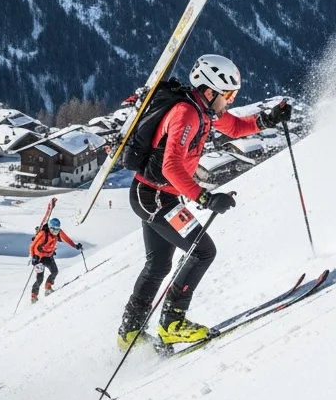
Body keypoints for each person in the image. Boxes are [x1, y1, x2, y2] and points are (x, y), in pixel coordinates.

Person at [117, 54, 292, 349]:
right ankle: (172, 323)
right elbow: (171, 167)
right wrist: (206, 197)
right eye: (228, 94)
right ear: (210, 91)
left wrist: (270, 118)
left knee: (159, 264)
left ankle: (130, 332)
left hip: (158, 194)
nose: (232, 100)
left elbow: (236, 128)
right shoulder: (187, 113)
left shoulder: (202, 109)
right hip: (155, 196)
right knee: (202, 251)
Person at [29, 217, 81, 303]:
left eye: (57, 229)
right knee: (40, 279)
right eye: (53, 229)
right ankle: (34, 296)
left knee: (54, 271)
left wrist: (75, 245)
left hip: (48, 256)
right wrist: (33, 257)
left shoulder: (58, 233)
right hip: (39, 258)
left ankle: (48, 288)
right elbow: (32, 246)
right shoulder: (43, 234)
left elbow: (67, 239)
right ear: (49, 227)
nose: (55, 232)